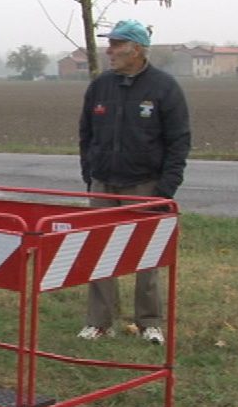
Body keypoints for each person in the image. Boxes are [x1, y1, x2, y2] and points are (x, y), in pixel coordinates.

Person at [77, 19, 191, 345]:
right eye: (109, 44)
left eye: (116, 45)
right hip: (103, 184)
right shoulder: (100, 87)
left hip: (145, 186)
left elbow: (179, 141)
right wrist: (91, 175)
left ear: (136, 49)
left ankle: (149, 323)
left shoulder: (164, 88)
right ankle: (100, 321)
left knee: (146, 255)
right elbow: (86, 134)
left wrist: (164, 189)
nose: (109, 51)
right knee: (98, 251)